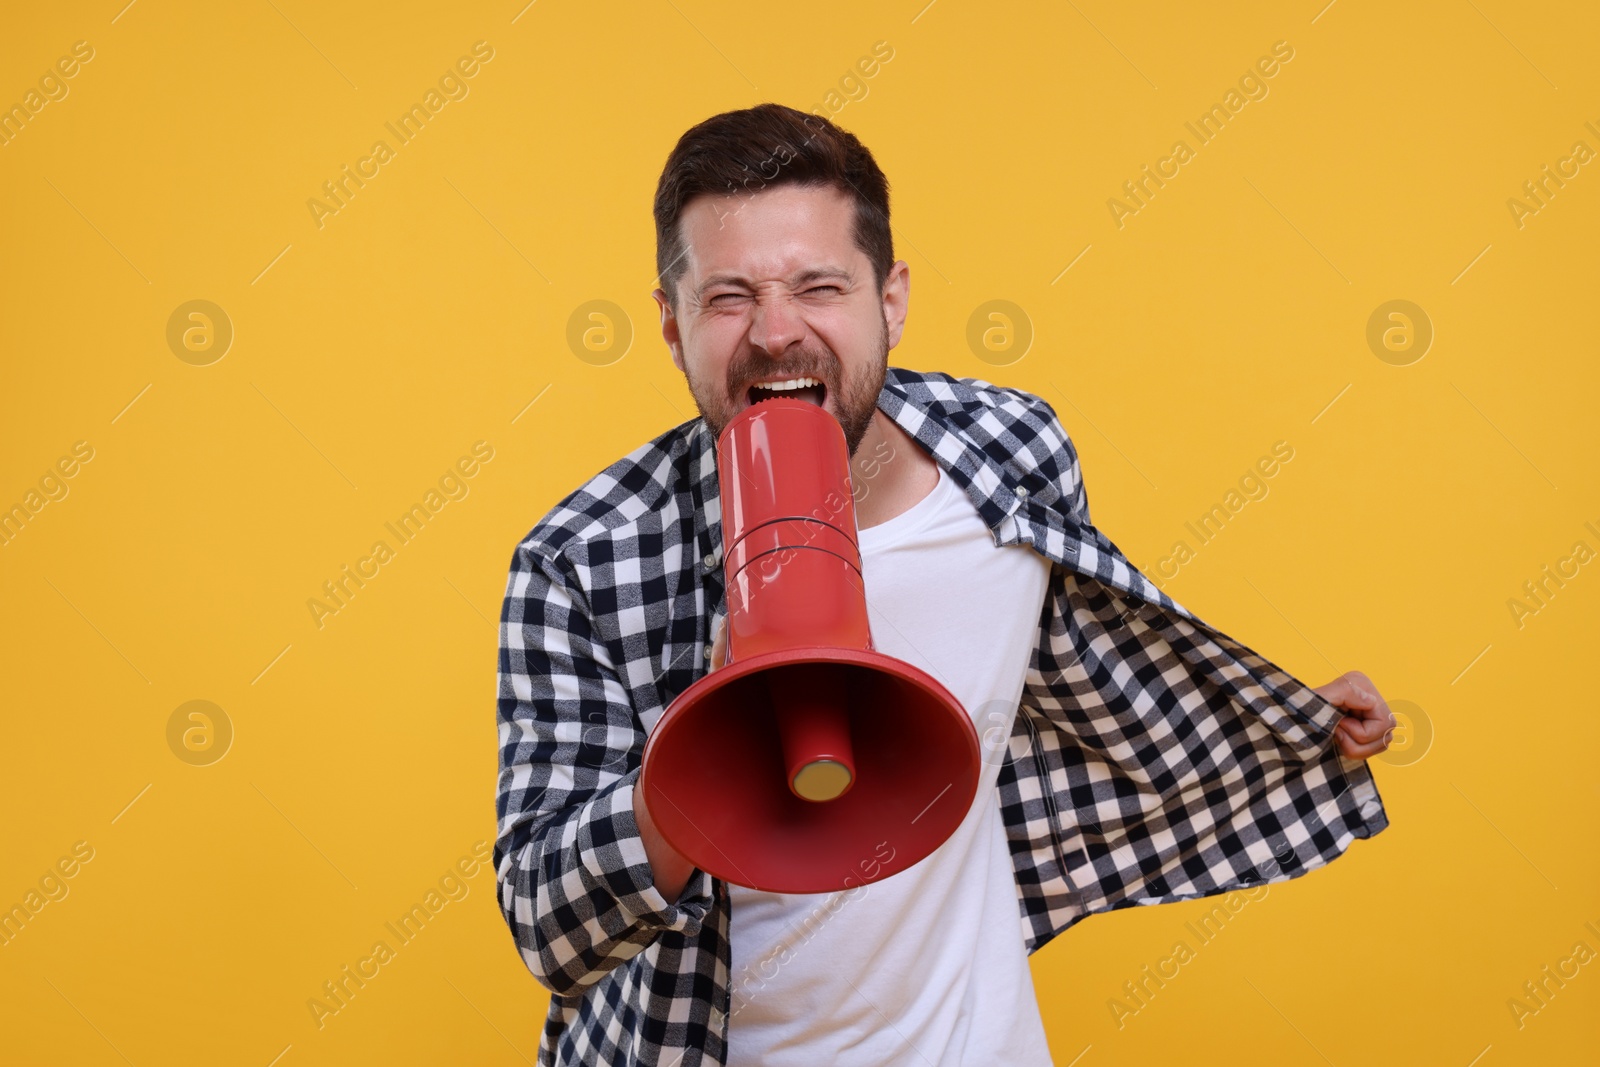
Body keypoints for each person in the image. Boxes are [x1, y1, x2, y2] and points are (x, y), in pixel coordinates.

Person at [493, 102, 1395, 1067]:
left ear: (891, 299)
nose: (776, 331)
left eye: (819, 285)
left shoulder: (1011, 454)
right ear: (674, 330)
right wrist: (702, 740)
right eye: (728, 298)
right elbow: (550, 927)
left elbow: (1089, 674)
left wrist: (1281, 713)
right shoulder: (583, 557)